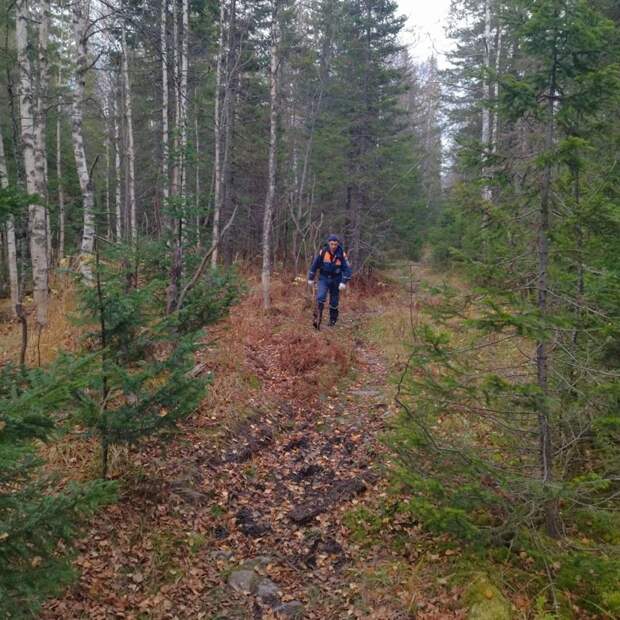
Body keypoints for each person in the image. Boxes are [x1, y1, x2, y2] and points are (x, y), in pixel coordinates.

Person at [307, 234, 352, 328]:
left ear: (338, 244)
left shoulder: (341, 254)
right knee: (320, 297)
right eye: (332, 244)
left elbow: (347, 270)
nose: (333, 246)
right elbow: (314, 265)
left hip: (336, 279)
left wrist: (343, 282)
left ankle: (332, 321)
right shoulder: (323, 252)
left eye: (335, 244)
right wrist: (311, 277)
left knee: (334, 302)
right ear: (328, 243)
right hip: (324, 278)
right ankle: (317, 320)